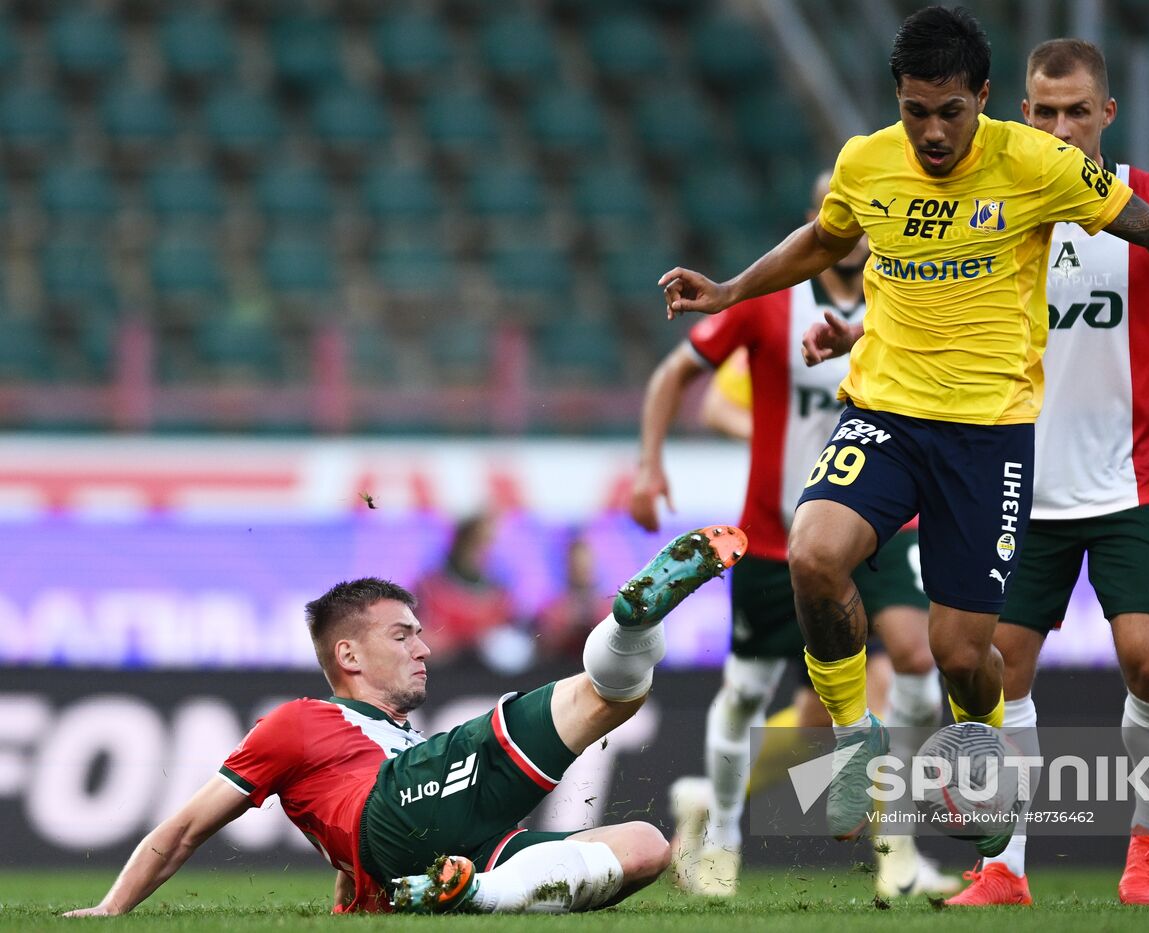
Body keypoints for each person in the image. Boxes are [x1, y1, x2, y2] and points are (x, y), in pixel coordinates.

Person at [660, 5, 1149, 848]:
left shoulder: (1039, 165)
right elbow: (825, 242)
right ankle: (855, 736)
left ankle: (983, 752)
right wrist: (728, 290)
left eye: (950, 112)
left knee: (962, 654)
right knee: (816, 553)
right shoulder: (866, 160)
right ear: (897, 100)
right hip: (886, 412)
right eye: (915, 111)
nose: (932, 133)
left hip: (990, 435)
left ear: (984, 98)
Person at [912, 39, 1149, 908]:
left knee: (1147, 663)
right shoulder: (996, 207)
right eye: (1042, 110)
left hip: (1139, 478)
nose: (1060, 126)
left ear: (1106, 113)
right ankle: (1006, 867)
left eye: (1076, 110)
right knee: (995, 668)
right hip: (1019, 481)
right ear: (1020, 112)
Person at [64, 525, 748, 916]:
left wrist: (353, 900)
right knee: (607, 696)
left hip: (435, 852)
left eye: (420, 633)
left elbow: (345, 846)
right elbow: (184, 827)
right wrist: (111, 909)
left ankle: (469, 889)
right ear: (348, 652)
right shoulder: (300, 720)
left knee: (645, 847)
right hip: (398, 810)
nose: (423, 647)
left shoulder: (395, 742)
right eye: (403, 635)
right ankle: (629, 624)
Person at [630, 172, 954, 897]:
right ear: (821, 221)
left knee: (912, 658)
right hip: (779, 537)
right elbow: (674, 378)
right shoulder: (770, 306)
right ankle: (721, 831)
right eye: (842, 212)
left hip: (883, 526)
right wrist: (648, 467)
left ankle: (896, 843)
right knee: (748, 692)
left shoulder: (902, 300)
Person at [413, 515, 516, 666]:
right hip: (442, 669)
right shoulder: (429, 585)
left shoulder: (499, 590)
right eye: (478, 541)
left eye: (488, 543)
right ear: (463, 539)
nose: (484, 550)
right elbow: (421, 633)